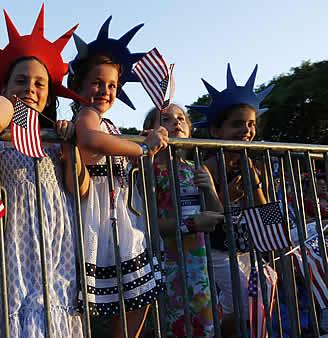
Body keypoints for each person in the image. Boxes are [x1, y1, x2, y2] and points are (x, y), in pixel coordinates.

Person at [0, 5, 86, 337]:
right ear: (5, 86)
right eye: (21, 80)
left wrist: (70, 147)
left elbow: (79, 188)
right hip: (14, 229)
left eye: (40, 83)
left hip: (58, 231)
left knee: (57, 294)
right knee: (20, 298)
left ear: (49, 94)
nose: (30, 88)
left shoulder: (55, 136)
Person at [67, 17, 167, 338]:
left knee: (138, 295)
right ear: (79, 86)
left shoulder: (105, 123)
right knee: (131, 295)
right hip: (99, 220)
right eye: (97, 82)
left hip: (117, 217)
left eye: (112, 85)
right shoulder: (87, 116)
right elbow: (90, 141)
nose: (106, 90)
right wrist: (142, 148)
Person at [187, 64, 273, 337]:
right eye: (237, 124)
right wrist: (230, 194)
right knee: (239, 304)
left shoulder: (254, 165)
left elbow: (269, 214)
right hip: (218, 249)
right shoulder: (208, 165)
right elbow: (212, 215)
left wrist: (254, 182)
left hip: (246, 245)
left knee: (261, 293)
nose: (246, 130)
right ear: (215, 130)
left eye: (251, 124)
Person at [142, 104, 224, 337]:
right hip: (166, 264)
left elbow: (217, 214)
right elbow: (148, 222)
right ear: (150, 131)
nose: (176, 123)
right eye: (166, 119)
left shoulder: (196, 168)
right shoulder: (148, 169)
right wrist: (191, 224)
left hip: (198, 266)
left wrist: (209, 189)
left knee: (205, 327)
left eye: (181, 118)